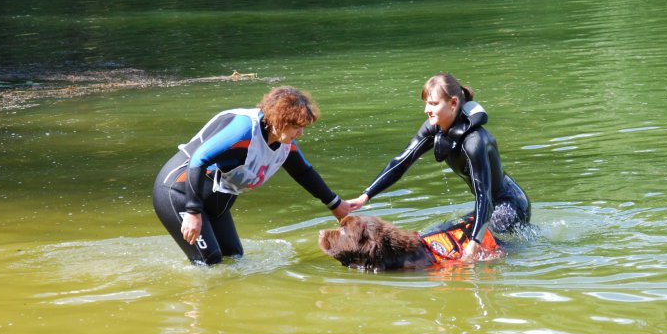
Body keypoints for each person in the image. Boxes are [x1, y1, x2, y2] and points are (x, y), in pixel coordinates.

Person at [153, 86, 350, 265]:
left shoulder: (283, 143)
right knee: (210, 262)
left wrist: (335, 204)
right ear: (279, 120)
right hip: (179, 193)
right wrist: (193, 211)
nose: (300, 133)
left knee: (234, 257)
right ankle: (194, 303)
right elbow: (198, 160)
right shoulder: (244, 130)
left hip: (216, 202)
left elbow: (303, 172)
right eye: (296, 127)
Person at [346, 73, 531, 261]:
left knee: (468, 249)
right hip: (488, 205)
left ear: (453, 103)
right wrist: (365, 196)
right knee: (436, 234)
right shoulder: (434, 128)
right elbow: (401, 162)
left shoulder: (475, 142)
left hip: (509, 205)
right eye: (426, 103)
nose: (427, 109)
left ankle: (510, 253)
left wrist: (474, 242)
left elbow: (484, 194)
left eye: (433, 104)